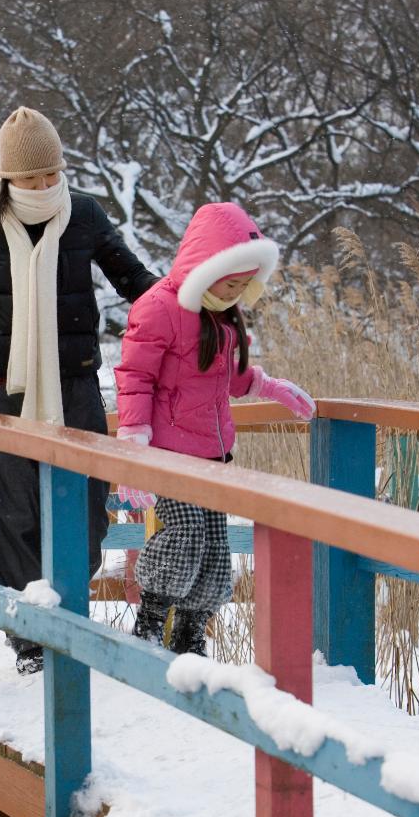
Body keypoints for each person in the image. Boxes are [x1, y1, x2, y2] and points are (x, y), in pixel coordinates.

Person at [0, 106, 157, 674]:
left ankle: (69, 619)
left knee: (87, 510)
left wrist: (183, 308)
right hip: (2, 387)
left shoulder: (83, 215)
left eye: (50, 175)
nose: (42, 186)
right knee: (14, 514)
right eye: (30, 179)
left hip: (74, 384)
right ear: (8, 178)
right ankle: (30, 636)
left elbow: (133, 279)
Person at [114, 201, 316, 655]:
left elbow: (229, 376)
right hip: (168, 455)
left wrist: (268, 385)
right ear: (206, 269)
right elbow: (135, 377)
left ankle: (189, 635)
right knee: (185, 536)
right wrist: (133, 449)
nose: (238, 292)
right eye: (232, 282)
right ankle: (149, 622)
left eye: (246, 285)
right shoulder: (159, 308)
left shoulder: (222, 316)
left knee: (214, 551)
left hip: (213, 455)